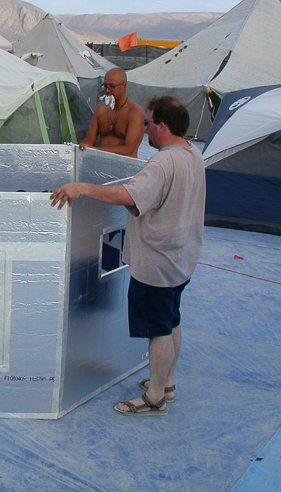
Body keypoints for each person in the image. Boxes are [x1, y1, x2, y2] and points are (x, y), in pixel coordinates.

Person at [51, 96, 205, 416]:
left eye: (148, 123)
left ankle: (155, 397)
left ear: (162, 127)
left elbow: (127, 195)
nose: (145, 127)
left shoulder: (163, 163)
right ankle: (167, 383)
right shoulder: (193, 154)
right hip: (182, 258)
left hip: (158, 263)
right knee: (171, 318)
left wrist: (83, 188)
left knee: (158, 329)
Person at [79, 67, 144, 158]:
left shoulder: (135, 112)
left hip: (124, 166)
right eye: (105, 86)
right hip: (101, 164)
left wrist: (96, 150)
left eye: (112, 86)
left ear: (124, 85)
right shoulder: (100, 110)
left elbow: (129, 149)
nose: (107, 90)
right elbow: (89, 141)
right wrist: (78, 148)